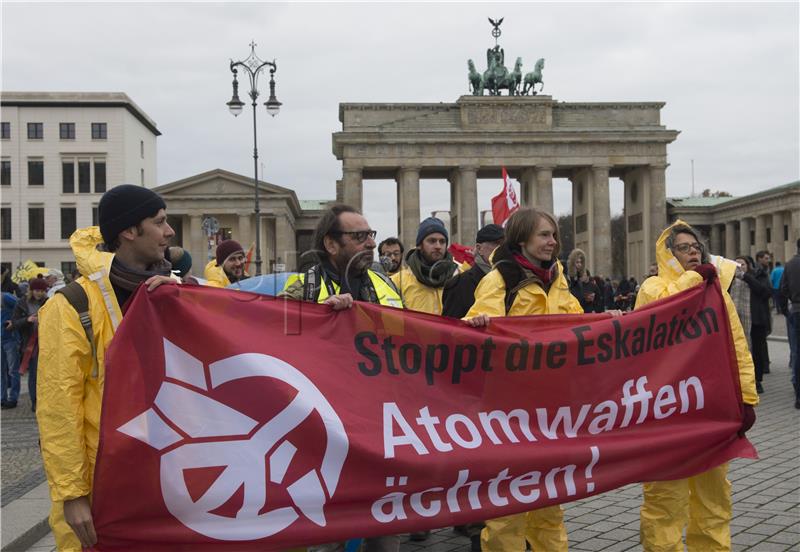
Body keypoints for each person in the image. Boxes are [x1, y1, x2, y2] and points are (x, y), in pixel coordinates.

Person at [37, 184, 178, 550]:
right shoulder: (70, 306)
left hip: (170, 480)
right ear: (129, 231)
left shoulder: (176, 293)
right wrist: (72, 496)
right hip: (105, 490)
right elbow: (58, 409)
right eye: (160, 222)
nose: (170, 232)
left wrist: (324, 317)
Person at [281, 204, 402, 552]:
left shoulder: (384, 282)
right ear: (332, 245)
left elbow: (417, 338)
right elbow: (275, 347)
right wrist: (321, 318)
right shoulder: (301, 288)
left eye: (371, 235)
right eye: (359, 236)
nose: (370, 243)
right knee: (327, 533)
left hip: (380, 427)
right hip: (324, 435)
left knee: (384, 532)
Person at [635, 220, 757, 552]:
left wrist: (746, 399)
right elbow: (662, 312)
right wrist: (696, 277)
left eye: (696, 247)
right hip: (666, 411)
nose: (693, 253)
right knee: (665, 503)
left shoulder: (717, 293)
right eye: (684, 248)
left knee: (714, 500)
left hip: (710, 410)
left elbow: (737, 346)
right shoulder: (652, 286)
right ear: (668, 253)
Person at [465, 207, 581, 552]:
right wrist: (479, 322)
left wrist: (612, 321)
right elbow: (475, 328)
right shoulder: (499, 279)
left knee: (550, 501)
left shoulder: (558, 277)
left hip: (551, 407)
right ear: (522, 238)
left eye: (554, 235)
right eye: (544, 235)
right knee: (507, 506)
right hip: (509, 410)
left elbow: (579, 323)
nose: (552, 242)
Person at [392, 217, 459, 315]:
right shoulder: (398, 282)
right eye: (432, 241)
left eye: (442, 241)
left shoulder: (459, 276)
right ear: (419, 245)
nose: (438, 246)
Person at [442, 224, 504, 319]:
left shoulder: (512, 280)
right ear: (479, 249)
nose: (501, 248)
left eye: (504, 244)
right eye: (496, 243)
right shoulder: (460, 284)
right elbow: (450, 328)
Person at [10, 277, 49, 411]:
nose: (39, 293)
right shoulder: (22, 303)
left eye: (42, 290)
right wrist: (28, 320)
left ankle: (46, 401)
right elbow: (15, 323)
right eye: (36, 290)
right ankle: (35, 402)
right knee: (33, 375)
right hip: (30, 345)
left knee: (46, 375)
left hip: (46, 344)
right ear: (31, 291)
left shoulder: (49, 302)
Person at [746, 251, 772, 392]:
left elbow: (766, 292)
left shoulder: (758, 276)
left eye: (742, 264)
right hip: (739, 320)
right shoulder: (732, 279)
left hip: (756, 319)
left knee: (757, 349)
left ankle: (758, 378)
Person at [780, 238, 800, 409]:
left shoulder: (790, 264)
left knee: (797, 351)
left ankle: (798, 395)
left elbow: (783, 289)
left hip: (796, 310)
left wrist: (786, 310)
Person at [1, 290, 20, 409]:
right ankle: (2, 398)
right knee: (1, 371)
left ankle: (13, 398)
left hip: (10, 339)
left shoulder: (5, 297)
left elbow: (20, 307)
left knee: (13, 371)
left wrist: (14, 322)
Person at [730, 257, 753, 350]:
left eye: (742, 264)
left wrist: (744, 276)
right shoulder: (730, 279)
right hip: (733, 314)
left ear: (748, 266)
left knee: (746, 341)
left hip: (748, 314)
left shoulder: (751, 278)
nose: (739, 267)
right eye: (736, 265)